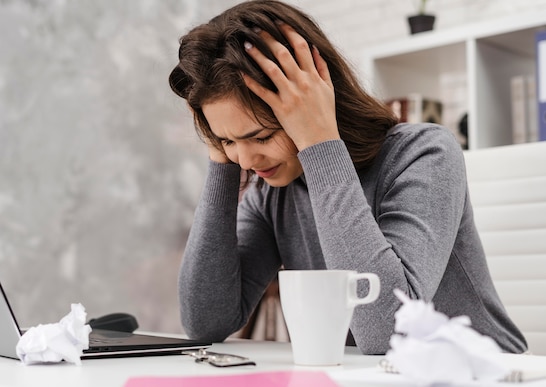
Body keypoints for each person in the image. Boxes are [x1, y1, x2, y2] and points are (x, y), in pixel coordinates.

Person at [168, 0, 527, 354]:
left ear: (316, 103)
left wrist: (320, 142)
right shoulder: (272, 192)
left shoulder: (424, 153)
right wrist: (220, 165)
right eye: (227, 140)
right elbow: (205, 322)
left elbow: (386, 333)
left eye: (261, 137)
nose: (244, 160)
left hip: (485, 374)